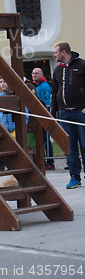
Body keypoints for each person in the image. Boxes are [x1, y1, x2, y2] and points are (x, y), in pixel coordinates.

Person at [51, 41, 85, 189]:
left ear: (63, 52)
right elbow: (54, 93)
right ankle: (74, 177)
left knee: (84, 145)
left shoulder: (82, 65)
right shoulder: (57, 70)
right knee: (69, 148)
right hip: (64, 114)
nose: (54, 55)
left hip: (80, 112)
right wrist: (53, 114)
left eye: (56, 52)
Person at [32, 67, 55, 170]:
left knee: (45, 140)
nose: (34, 75)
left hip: (43, 116)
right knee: (39, 140)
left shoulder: (44, 86)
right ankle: (42, 160)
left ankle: (50, 162)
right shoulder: (34, 85)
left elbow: (46, 102)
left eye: (36, 73)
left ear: (42, 74)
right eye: (33, 73)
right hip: (36, 116)